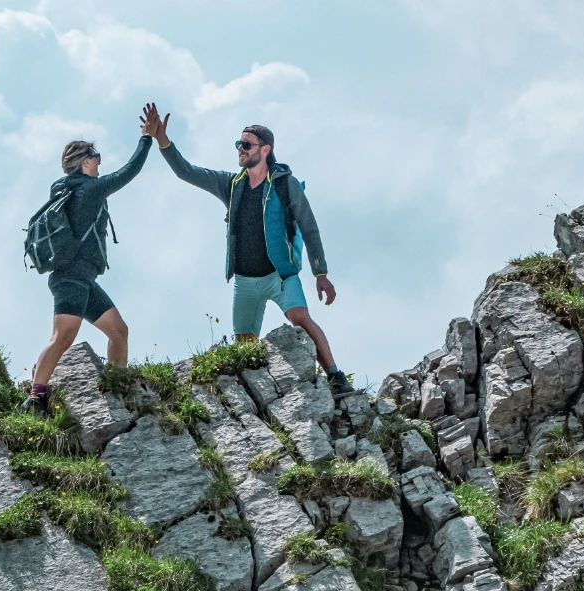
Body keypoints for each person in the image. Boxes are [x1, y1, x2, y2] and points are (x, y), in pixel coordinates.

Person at [144, 105, 355, 394]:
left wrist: (321, 273)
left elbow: (309, 227)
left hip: (280, 276)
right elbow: (187, 172)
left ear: (265, 150)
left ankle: (335, 376)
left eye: (246, 145)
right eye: (238, 144)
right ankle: (264, 396)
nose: (240, 149)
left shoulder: (286, 185)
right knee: (244, 345)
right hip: (244, 281)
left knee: (300, 318)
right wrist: (162, 141)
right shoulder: (231, 185)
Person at [19, 105, 161, 415]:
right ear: (85, 163)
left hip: (83, 279)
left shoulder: (69, 191)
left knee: (119, 332)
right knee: (63, 336)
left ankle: (117, 384)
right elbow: (129, 171)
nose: (100, 162)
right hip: (71, 278)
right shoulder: (88, 190)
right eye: (96, 157)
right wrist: (147, 139)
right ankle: (35, 397)